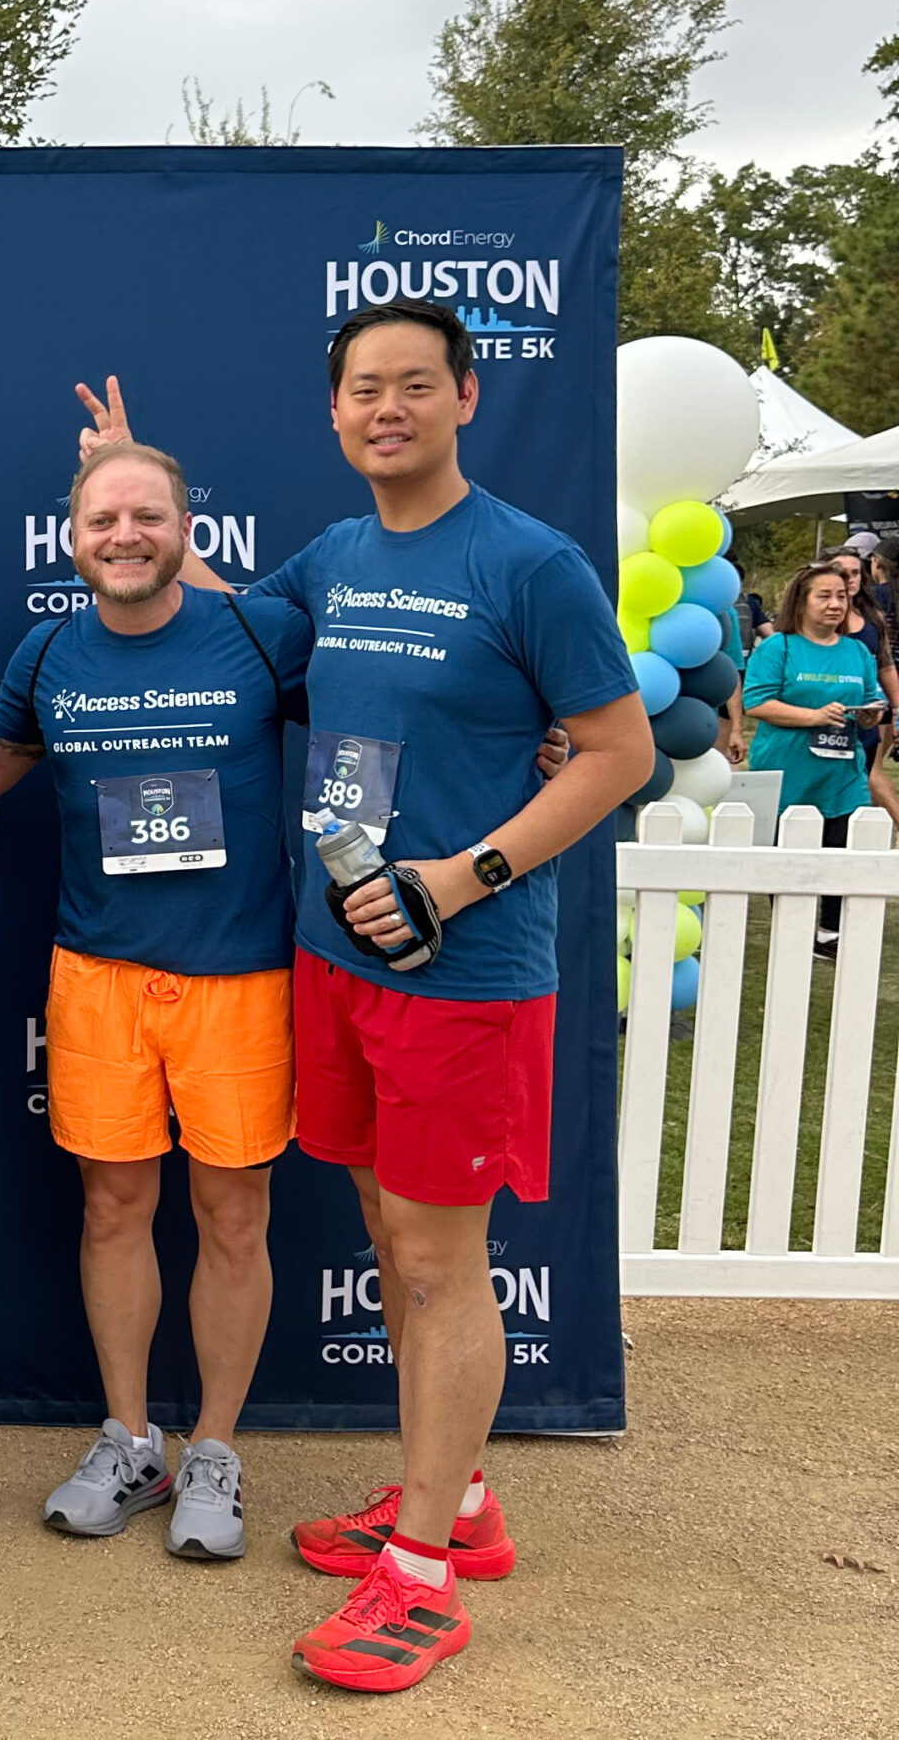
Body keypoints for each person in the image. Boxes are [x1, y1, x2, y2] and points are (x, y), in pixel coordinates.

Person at [97, 299, 653, 1693]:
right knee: (383, 1224)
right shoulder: (342, 553)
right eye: (363, 389)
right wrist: (135, 496)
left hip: (460, 973)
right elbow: (235, 614)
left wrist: (459, 877)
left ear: (467, 394)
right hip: (338, 961)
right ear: (335, 415)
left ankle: (422, 1572)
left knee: (435, 1256)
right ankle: (455, 1496)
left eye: (415, 384)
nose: (387, 407)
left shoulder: (533, 562)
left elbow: (620, 749)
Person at [0, 441, 309, 1567]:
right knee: (113, 1211)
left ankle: (213, 1447)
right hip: (98, 979)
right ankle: (128, 1438)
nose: (122, 536)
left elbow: (392, 699)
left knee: (233, 1218)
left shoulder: (262, 633)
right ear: (68, 538)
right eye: (100, 519)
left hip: (238, 978)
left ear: (189, 531)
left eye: (146, 517)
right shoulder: (46, 652)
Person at [745, 563, 886, 959]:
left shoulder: (857, 650)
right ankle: (794, 929)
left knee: (843, 848)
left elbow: (874, 695)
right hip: (788, 767)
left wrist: (873, 711)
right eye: (823, 596)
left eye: (841, 596)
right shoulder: (779, 647)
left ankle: (829, 930)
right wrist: (813, 716)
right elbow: (756, 701)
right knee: (788, 853)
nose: (835, 604)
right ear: (802, 602)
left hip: (843, 769)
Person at [821, 548, 899, 823]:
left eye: (855, 573)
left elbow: (886, 665)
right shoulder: (820, 618)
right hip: (826, 713)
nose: (850, 579)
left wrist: (898, 708)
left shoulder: (872, 615)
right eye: (843, 573)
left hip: (869, 710)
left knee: (867, 771)